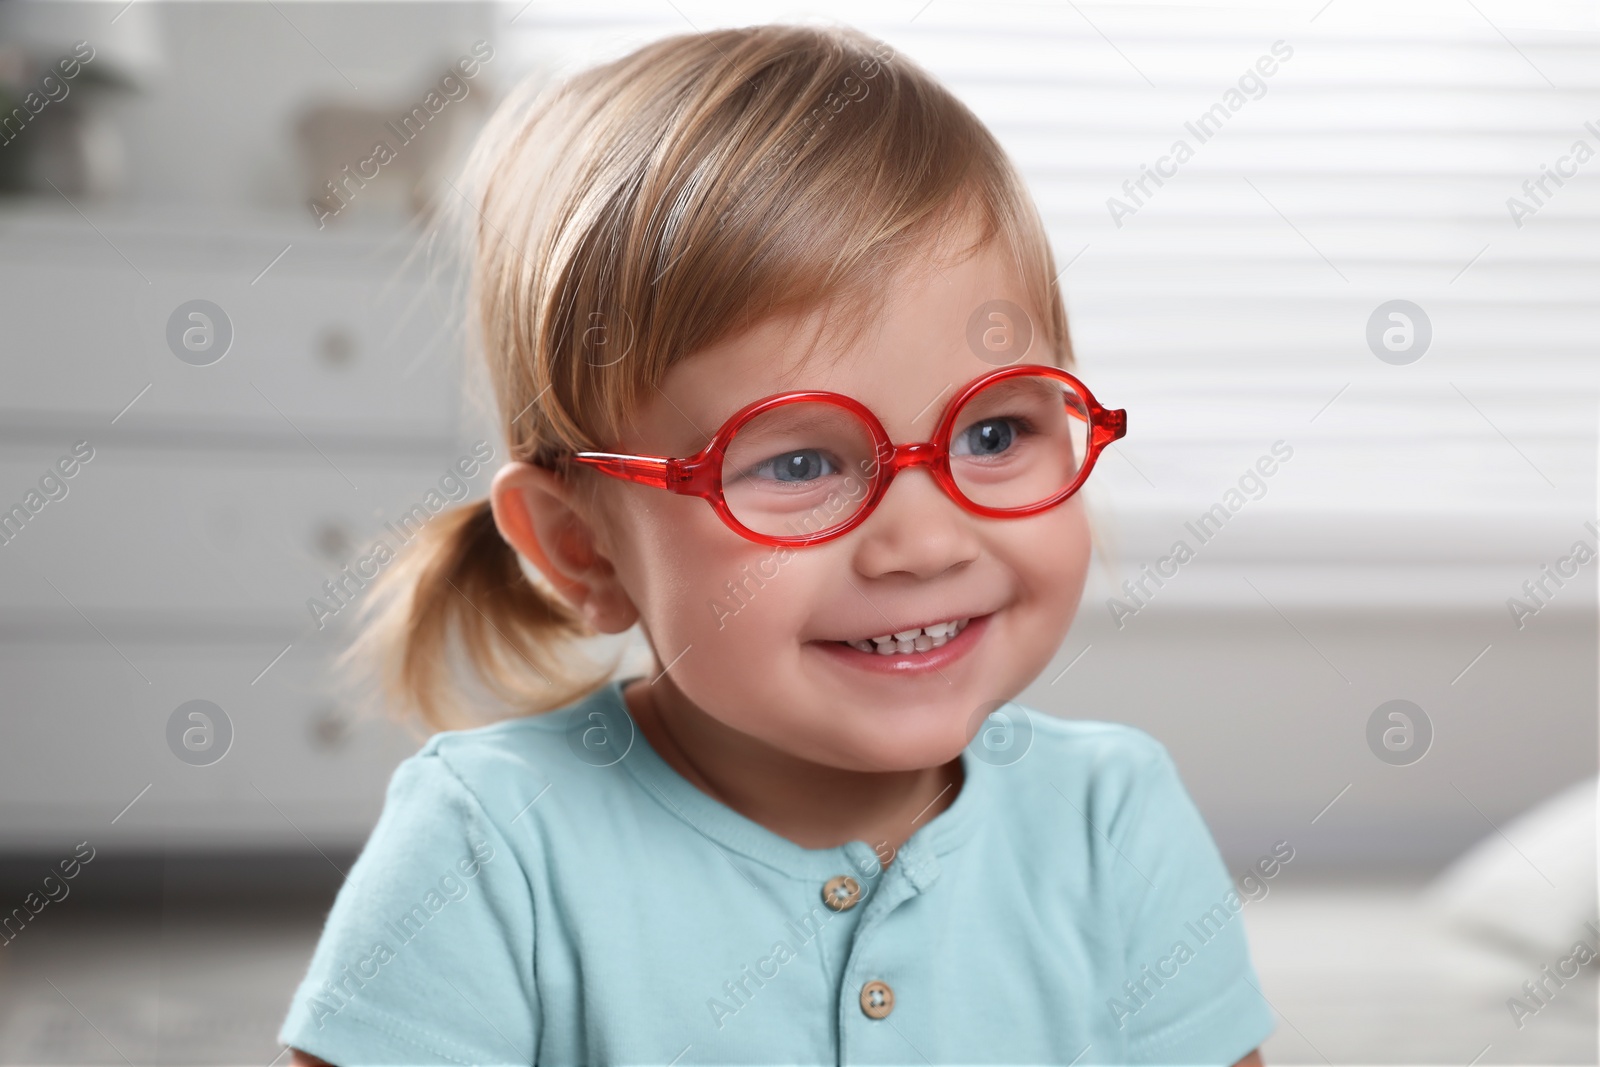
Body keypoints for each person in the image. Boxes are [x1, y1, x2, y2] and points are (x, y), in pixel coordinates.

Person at [279, 22, 1273, 1066]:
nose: (925, 539)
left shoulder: (1112, 819)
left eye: (993, 433)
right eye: (797, 464)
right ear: (584, 549)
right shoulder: (491, 841)